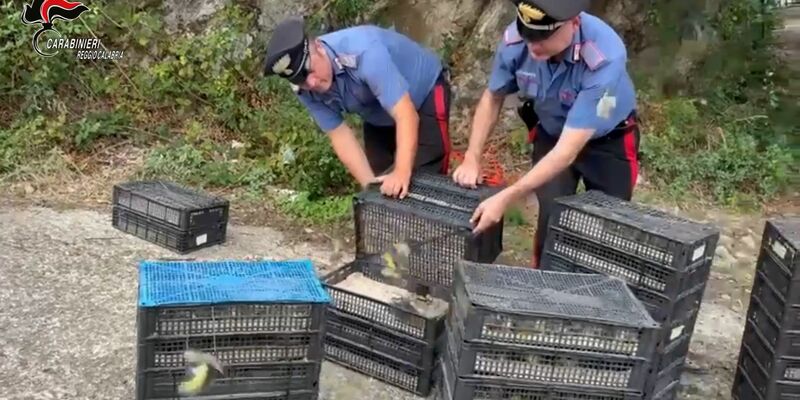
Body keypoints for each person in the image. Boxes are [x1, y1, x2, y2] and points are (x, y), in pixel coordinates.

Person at [453, 0, 641, 267]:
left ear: (573, 23)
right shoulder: (517, 43)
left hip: (609, 140)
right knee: (551, 216)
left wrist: (505, 198)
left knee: (608, 222)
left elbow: (567, 152)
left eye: (543, 37)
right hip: (552, 132)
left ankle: (595, 287)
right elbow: (493, 97)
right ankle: (543, 280)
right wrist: (472, 157)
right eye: (529, 35)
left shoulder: (604, 56)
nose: (533, 46)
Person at [262, 16, 452, 199]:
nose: (311, 83)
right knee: (381, 179)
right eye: (302, 81)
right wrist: (370, 189)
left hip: (423, 92)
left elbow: (405, 114)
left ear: (319, 47)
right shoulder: (305, 90)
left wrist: (402, 172)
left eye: (310, 71)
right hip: (376, 110)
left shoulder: (364, 52)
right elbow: (340, 136)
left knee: (423, 172)